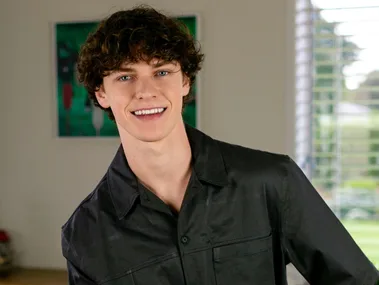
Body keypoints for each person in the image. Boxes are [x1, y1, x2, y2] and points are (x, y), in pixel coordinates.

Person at [61, 5, 379, 285]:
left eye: (162, 71)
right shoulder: (85, 234)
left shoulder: (272, 181)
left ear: (185, 81)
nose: (146, 91)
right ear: (101, 93)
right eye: (125, 77)